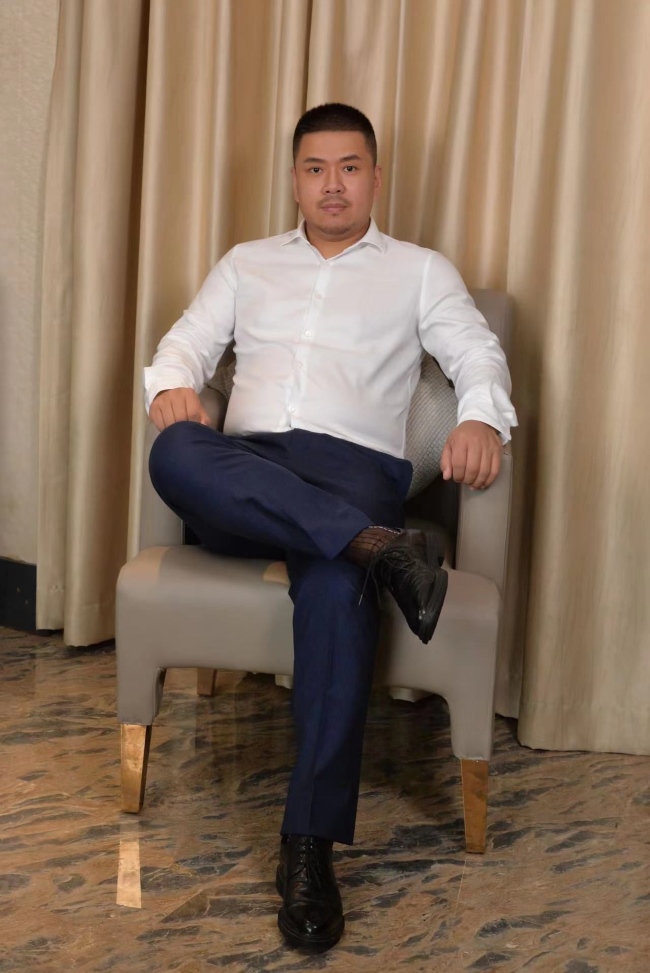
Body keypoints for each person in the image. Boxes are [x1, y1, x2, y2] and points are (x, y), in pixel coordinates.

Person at [144, 103, 517, 952]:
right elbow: (182, 346)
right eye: (316, 168)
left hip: (353, 470)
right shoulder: (246, 263)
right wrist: (172, 386)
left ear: (375, 178)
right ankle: (383, 549)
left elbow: (476, 353)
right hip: (248, 471)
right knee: (176, 452)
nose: (333, 185)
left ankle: (307, 847)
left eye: (350, 167)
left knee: (334, 591)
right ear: (295, 179)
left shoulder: (419, 271)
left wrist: (480, 418)